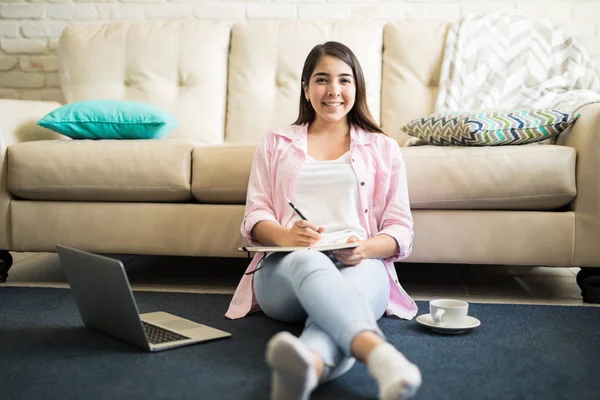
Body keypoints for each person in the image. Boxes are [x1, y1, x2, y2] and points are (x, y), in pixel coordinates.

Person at [225, 41, 422, 400]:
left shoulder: (382, 147)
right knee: (307, 260)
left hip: (360, 265)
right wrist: (286, 235)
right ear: (305, 88)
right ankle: (381, 356)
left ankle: (309, 367)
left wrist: (364, 248)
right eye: (322, 80)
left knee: (335, 307)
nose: (333, 91)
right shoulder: (275, 141)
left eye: (344, 80)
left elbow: (400, 229)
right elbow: (255, 216)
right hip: (287, 272)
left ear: (357, 87)